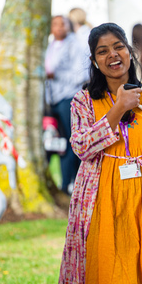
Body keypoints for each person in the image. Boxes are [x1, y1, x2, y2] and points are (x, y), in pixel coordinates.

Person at [59, 22, 142, 283]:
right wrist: (118, 108)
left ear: (129, 51)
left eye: (118, 47)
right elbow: (81, 147)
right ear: (94, 61)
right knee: (105, 265)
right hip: (102, 197)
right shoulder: (84, 101)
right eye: (103, 51)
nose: (112, 55)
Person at [44, 15, 89, 194]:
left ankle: (69, 184)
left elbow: (82, 75)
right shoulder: (50, 45)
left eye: (62, 24)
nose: (58, 27)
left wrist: (56, 75)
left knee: (72, 142)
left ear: (69, 26)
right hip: (51, 100)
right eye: (54, 24)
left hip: (68, 98)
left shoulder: (75, 45)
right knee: (56, 143)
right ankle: (61, 183)